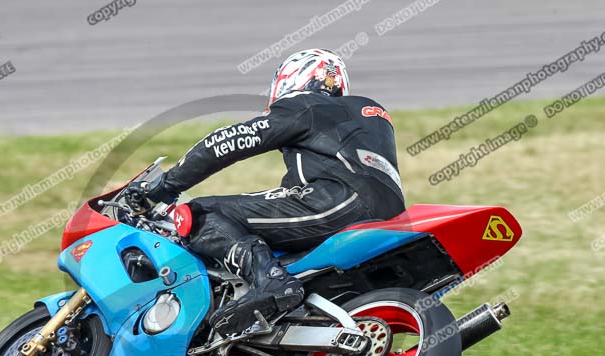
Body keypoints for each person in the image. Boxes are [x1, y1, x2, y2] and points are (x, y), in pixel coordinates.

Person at [126, 49, 406, 337]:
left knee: (200, 213)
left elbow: (228, 141)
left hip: (337, 202)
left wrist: (165, 186)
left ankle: (270, 281)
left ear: (292, 78)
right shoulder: (369, 112)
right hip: (392, 214)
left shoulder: (306, 106)